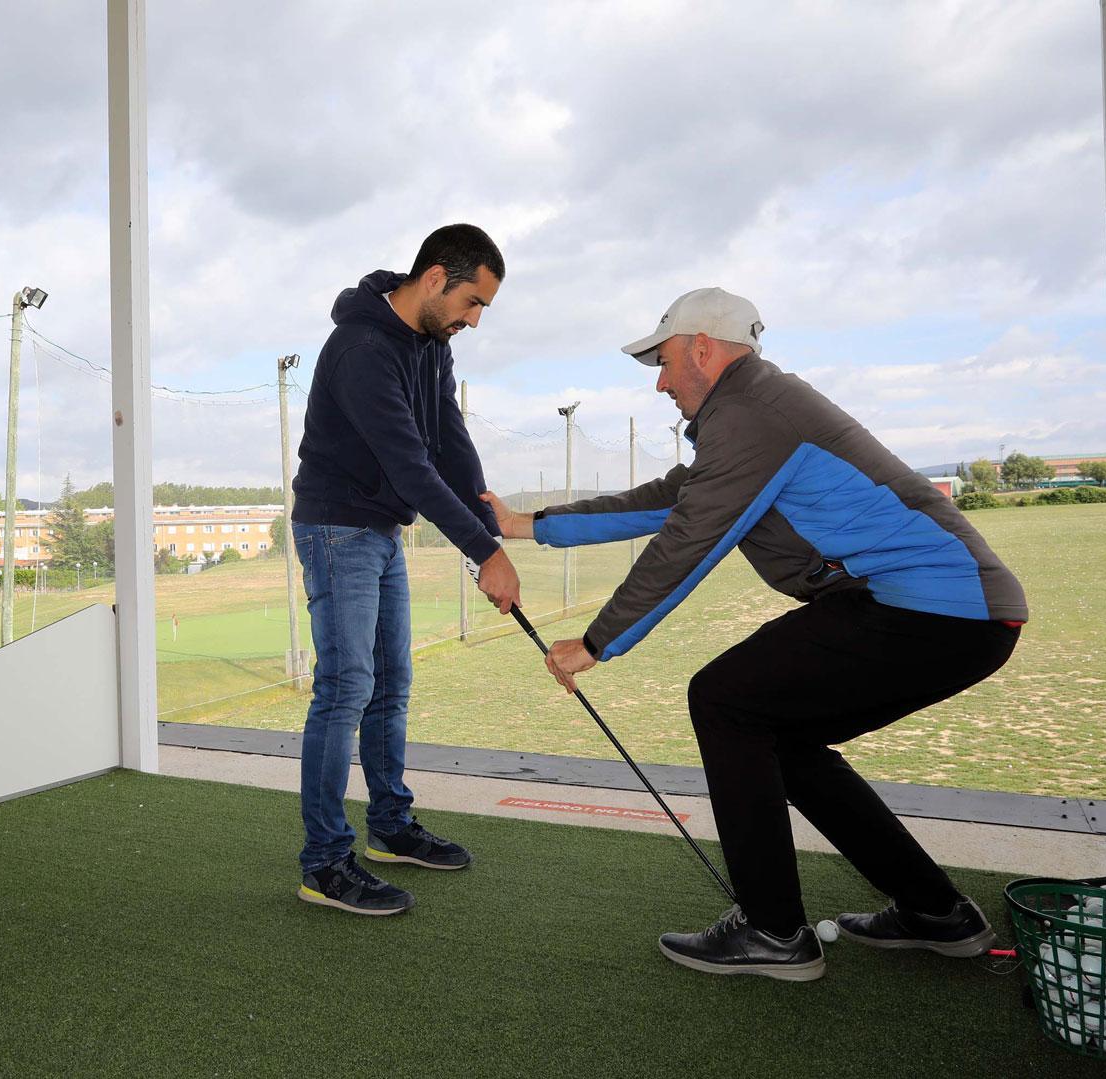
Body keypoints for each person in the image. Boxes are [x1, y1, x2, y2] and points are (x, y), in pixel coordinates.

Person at [482, 287, 1026, 978]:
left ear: (703, 350)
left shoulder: (750, 412)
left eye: (665, 361)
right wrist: (526, 526)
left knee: (724, 699)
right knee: (784, 737)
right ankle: (934, 912)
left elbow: (688, 539)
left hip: (936, 608)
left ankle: (773, 932)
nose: (660, 380)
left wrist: (596, 642)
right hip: (951, 613)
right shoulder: (753, 415)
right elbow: (666, 500)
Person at [290, 224, 523, 916]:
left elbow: (448, 439)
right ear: (433, 279)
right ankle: (325, 863)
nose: (473, 320)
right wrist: (486, 556)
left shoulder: (431, 346)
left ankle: (389, 826)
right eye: (472, 302)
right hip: (337, 528)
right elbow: (410, 467)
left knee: (391, 683)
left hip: (381, 529)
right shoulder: (361, 349)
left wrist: (485, 522)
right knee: (345, 687)